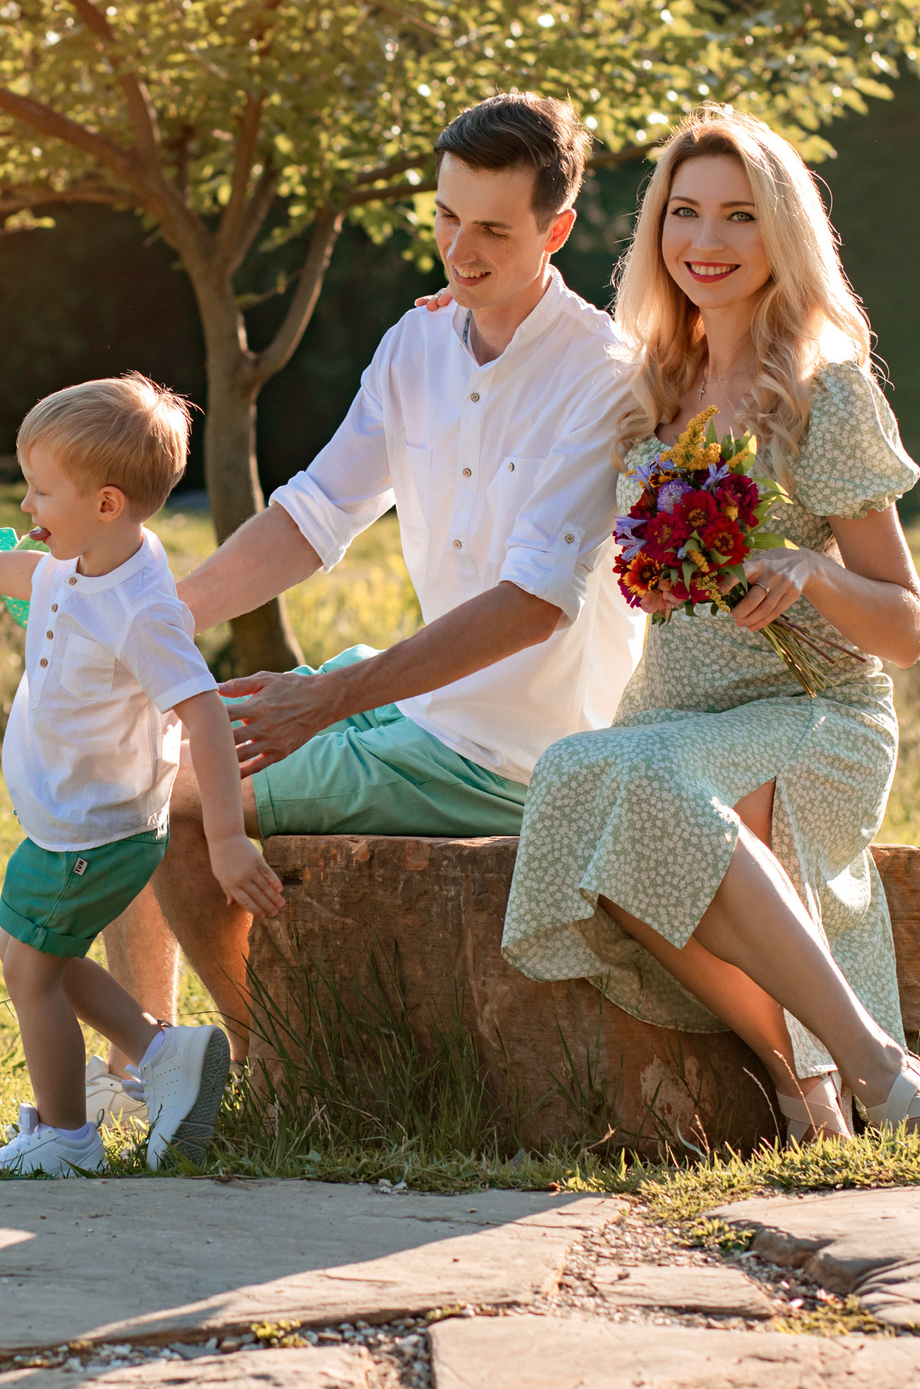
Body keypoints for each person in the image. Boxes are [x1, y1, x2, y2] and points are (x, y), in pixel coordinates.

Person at [101, 92, 647, 1061]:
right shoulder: (416, 346)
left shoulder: (603, 377)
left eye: (491, 229)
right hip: (415, 717)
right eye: (445, 216)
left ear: (557, 230)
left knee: (164, 791)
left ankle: (270, 1068)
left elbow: (531, 608)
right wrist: (156, 616)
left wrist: (330, 696)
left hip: (516, 756)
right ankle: (143, 1075)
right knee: (127, 744)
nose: (458, 249)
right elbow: (313, 516)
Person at [500, 104, 920, 1140]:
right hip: (669, 713)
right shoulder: (646, 390)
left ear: (782, 235)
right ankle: (809, 1088)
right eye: (683, 214)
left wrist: (810, 570)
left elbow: (904, 629)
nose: (705, 243)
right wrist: (466, 303)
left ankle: (876, 1073)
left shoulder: (826, 391)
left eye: (737, 217)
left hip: (813, 715)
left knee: (643, 785)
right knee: (582, 776)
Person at [0, 374, 284, 1175]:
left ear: (105, 502)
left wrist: (228, 840)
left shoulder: (141, 605)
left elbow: (202, 710)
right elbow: (29, 577)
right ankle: (160, 1054)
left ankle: (64, 1138)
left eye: (40, 491)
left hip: (95, 833)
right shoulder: (84, 558)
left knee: (29, 970)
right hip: (73, 823)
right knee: (38, 953)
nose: (27, 508)